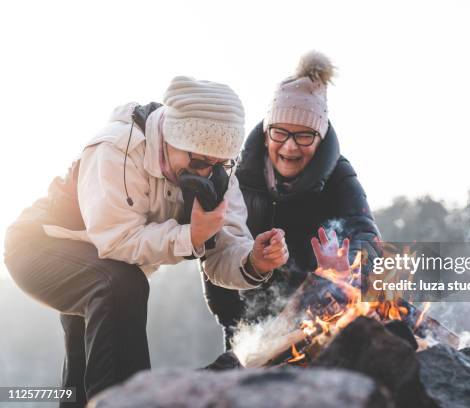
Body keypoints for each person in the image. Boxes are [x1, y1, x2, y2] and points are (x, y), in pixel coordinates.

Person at [3, 76, 288, 407]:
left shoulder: (219, 174)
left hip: (98, 268)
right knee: (122, 285)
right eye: (197, 162)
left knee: (82, 381)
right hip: (38, 247)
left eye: (218, 163)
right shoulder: (116, 148)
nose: (206, 173)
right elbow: (115, 241)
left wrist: (253, 260)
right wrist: (190, 236)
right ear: (171, 137)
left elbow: (222, 254)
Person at [203, 52, 381, 349]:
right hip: (246, 324)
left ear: (321, 138)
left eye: (304, 136)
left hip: (313, 319)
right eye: (280, 132)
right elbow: (215, 245)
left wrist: (348, 264)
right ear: (266, 132)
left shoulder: (339, 176)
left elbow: (367, 236)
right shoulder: (236, 172)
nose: (289, 146)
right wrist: (230, 318)